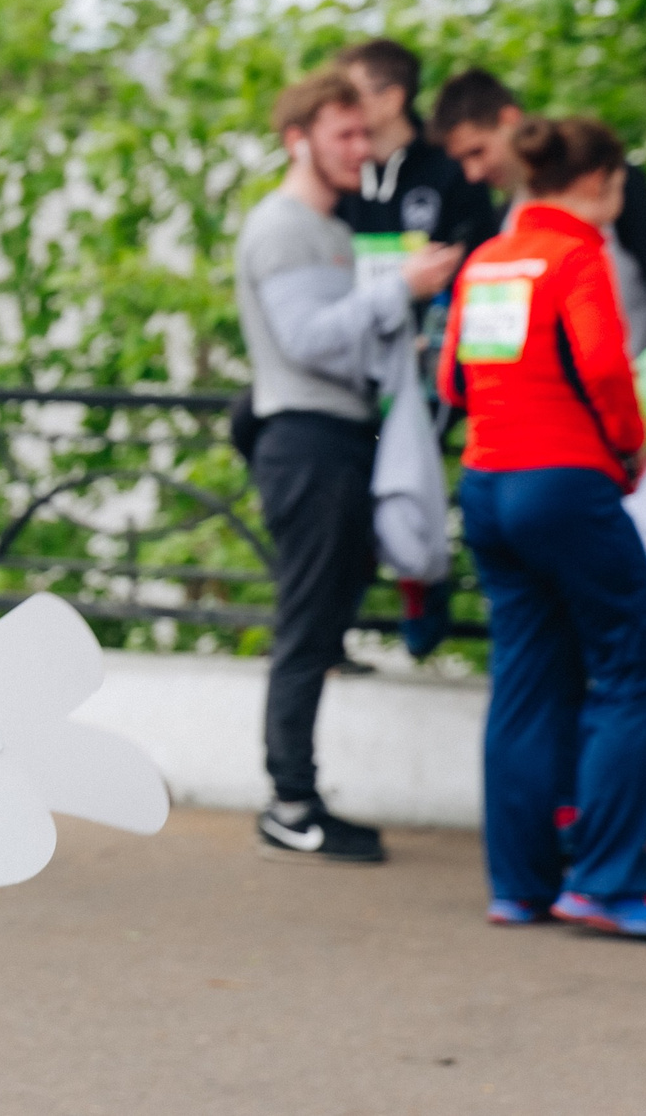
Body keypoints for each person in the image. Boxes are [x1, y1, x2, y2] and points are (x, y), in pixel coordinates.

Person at [437, 117, 646, 943]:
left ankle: (518, 885)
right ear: (597, 181)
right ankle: (607, 883)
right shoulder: (578, 256)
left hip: (487, 484)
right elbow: (604, 370)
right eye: (620, 185)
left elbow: (452, 378)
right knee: (630, 670)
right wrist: (632, 442)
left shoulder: (487, 260)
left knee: (523, 679)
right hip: (565, 483)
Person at [235, 70, 462, 863]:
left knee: (324, 622)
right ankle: (289, 799)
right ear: (299, 138)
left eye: (365, 135)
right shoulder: (285, 227)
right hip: (306, 439)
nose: (361, 150)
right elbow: (308, 339)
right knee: (307, 625)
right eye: (344, 135)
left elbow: (345, 336)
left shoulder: (330, 228)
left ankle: (298, 791)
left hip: (336, 435)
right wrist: (400, 289)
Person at [432, 68, 646, 351]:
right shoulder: (500, 225)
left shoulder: (612, 188)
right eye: (462, 160)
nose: (472, 174)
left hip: (638, 384)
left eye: (478, 151)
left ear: (509, 120)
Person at [332, 39, 501, 256]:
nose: (338, 106)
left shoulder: (454, 166)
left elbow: (479, 256)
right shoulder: (340, 172)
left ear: (392, 100)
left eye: (350, 96)